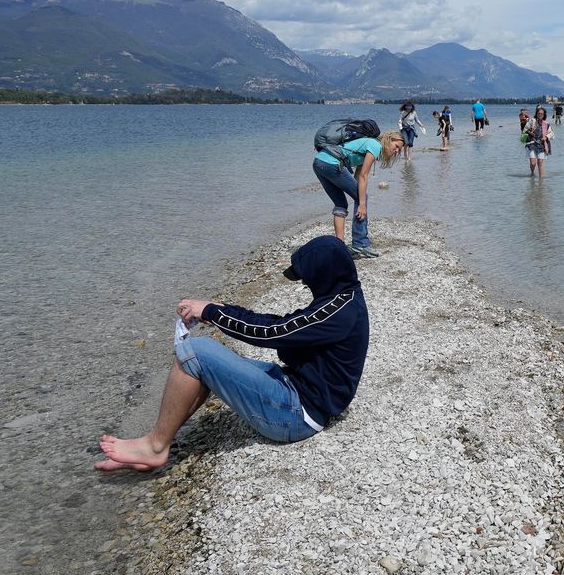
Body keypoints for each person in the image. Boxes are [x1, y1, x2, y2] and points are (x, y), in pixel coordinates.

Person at [95, 236, 369, 471]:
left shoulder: (336, 312)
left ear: (323, 274)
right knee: (206, 362)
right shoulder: (343, 299)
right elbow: (280, 323)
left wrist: (214, 313)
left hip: (296, 414)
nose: (306, 285)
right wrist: (221, 307)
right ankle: (158, 441)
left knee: (196, 350)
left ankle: (155, 446)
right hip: (298, 393)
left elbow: (273, 333)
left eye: (307, 279)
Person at [313, 130, 404, 258]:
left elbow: (357, 177)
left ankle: (340, 247)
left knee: (341, 203)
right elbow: (363, 176)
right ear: (389, 140)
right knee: (362, 198)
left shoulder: (369, 145)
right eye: (396, 147)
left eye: (399, 150)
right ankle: (360, 244)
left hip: (319, 162)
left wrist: (358, 196)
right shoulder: (375, 146)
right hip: (331, 163)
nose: (396, 151)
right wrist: (361, 204)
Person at [523, 105, 553, 178]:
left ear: (544, 115)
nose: (540, 115)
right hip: (531, 144)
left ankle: (541, 181)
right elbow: (524, 130)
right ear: (536, 114)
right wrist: (530, 132)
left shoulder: (546, 124)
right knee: (533, 163)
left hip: (541, 145)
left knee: (540, 163)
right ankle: (532, 173)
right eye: (538, 113)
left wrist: (546, 137)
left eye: (541, 114)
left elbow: (552, 133)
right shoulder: (532, 121)